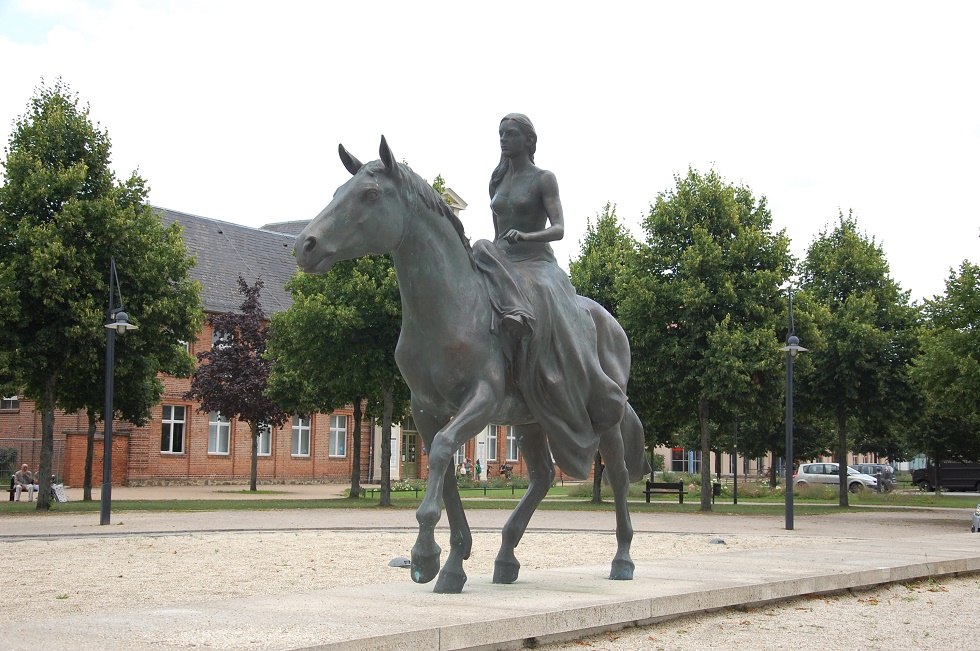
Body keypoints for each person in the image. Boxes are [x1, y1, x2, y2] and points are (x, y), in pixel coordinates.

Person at [472, 113, 626, 479]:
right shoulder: (497, 179)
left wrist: (527, 237)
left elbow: (558, 228)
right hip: (504, 260)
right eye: (500, 134)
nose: (503, 140)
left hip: (537, 262)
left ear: (528, 140)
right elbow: (495, 233)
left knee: (538, 292)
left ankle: (553, 366)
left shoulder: (543, 179)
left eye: (511, 134)